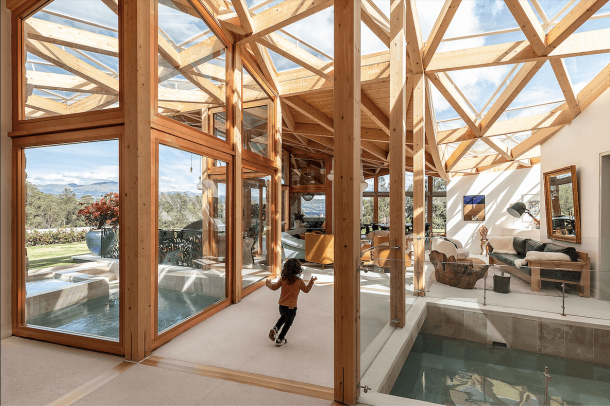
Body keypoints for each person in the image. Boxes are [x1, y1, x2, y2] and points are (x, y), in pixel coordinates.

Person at [266, 258, 317, 347]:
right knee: (288, 323)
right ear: (298, 269)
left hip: (281, 305)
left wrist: (268, 284)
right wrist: (311, 282)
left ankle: (275, 329)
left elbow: (274, 287)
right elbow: (306, 290)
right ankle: (280, 339)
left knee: (283, 317)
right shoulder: (299, 281)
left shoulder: (283, 279)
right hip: (291, 307)